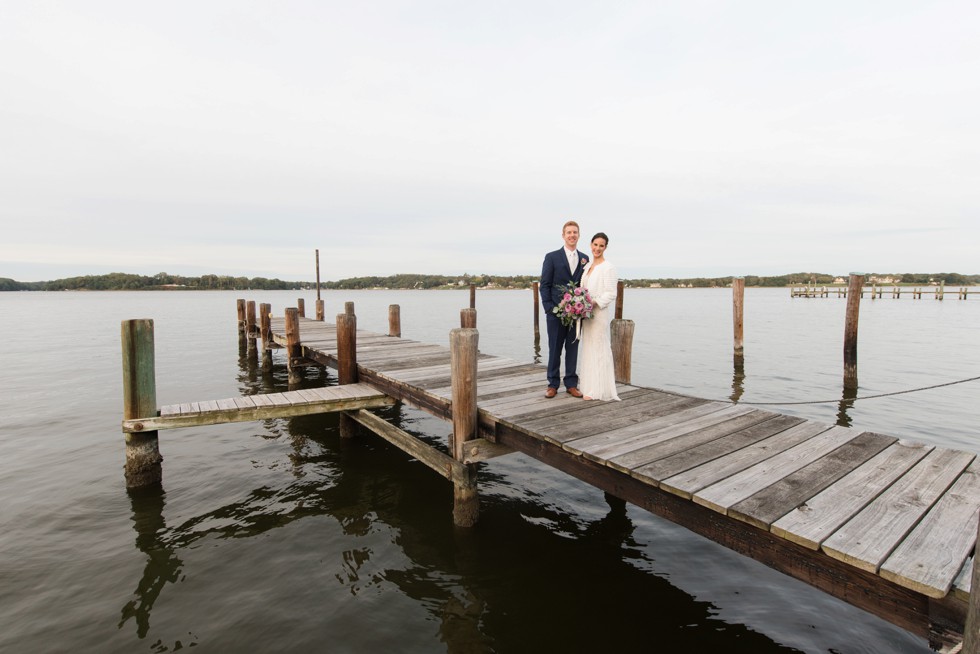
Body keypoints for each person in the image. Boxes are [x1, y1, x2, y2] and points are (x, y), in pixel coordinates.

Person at [540, 220, 589, 398]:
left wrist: (583, 306)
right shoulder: (551, 257)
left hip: (576, 313)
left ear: (578, 235)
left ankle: (571, 383)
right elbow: (544, 285)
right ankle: (552, 384)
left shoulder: (585, 259)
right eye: (568, 232)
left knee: (573, 347)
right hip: (555, 312)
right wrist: (549, 308)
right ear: (563, 235)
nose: (572, 235)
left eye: (575, 232)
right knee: (555, 348)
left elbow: (585, 285)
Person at [579, 232, 621, 401]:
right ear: (591, 245)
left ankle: (598, 389)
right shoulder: (587, 266)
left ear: (605, 248)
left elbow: (611, 293)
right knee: (588, 347)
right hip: (586, 315)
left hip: (598, 314)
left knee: (599, 347)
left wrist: (594, 303)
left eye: (601, 246)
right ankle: (587, 386)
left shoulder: (608, 267)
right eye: (595, 244)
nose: (597, 248)